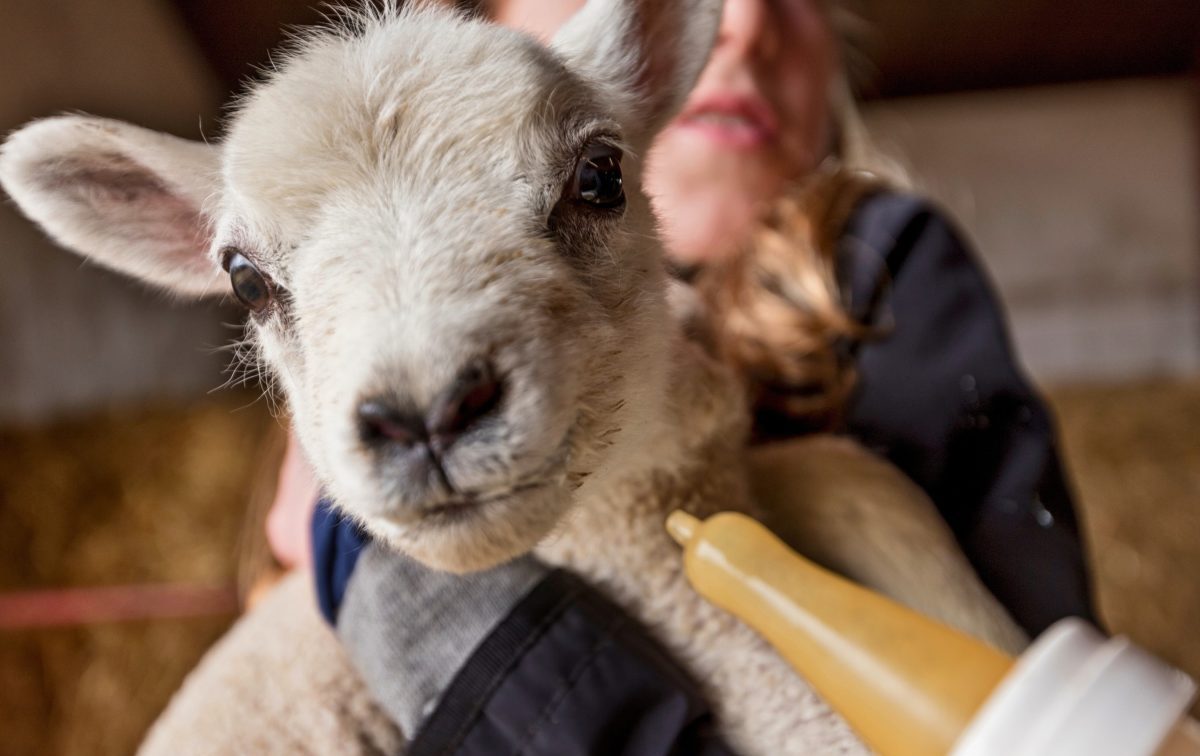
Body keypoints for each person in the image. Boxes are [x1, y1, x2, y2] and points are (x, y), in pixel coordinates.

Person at [259, 0, 1096, 751]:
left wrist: (359, 554)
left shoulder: (877, 258)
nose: (747, 19)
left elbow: (1037, 687)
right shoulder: (346, 345)